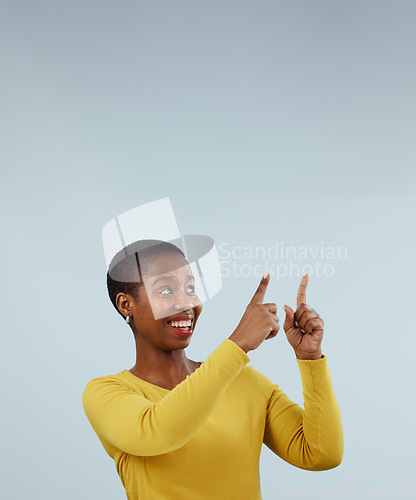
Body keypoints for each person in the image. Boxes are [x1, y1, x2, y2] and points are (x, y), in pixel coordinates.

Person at [82, 239, 343, 500]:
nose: (186, 303)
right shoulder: (106, 393)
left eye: (190, 287)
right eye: (166, 291)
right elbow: (159, 431)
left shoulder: (243, 380)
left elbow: (321, 453)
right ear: (126, 305)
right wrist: (238, 343)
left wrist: (310, 358)